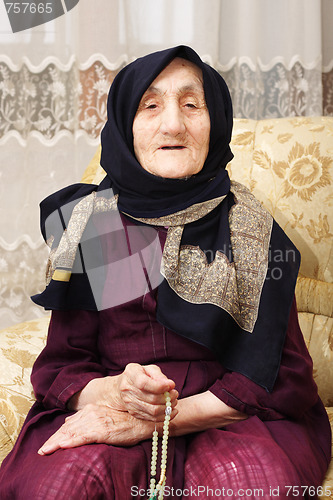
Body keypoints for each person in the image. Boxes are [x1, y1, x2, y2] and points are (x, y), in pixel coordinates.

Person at [0, 45, 330, 500]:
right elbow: (64, 366)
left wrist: (152, 420)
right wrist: (115, 392)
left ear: (215, 126)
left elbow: (276, 377)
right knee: (60, 486)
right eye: (150, 106)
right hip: (113, 404)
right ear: (124, 128)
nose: (173, 124)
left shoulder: (250, 227)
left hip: (234, 416)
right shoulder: (97, 225)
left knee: (250, 485)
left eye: (192, 105)